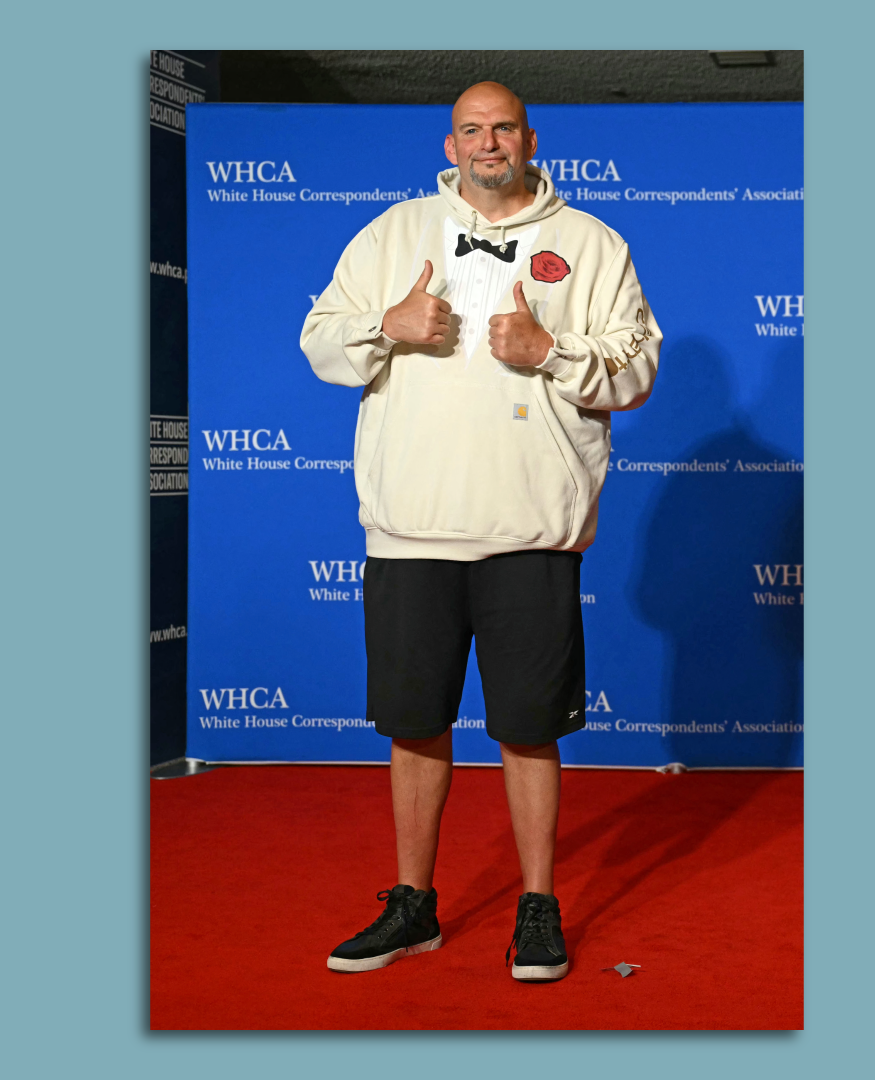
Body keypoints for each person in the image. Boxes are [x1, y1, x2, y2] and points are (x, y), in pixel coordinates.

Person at [301, 81, 661, 982]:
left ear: (531, 140)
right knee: (415, 724)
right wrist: (387, 325)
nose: (488, 142)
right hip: (411, 530)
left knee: (529, 728)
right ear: (450, 144)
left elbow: (637, 369)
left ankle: (538, 906)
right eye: (472, 129)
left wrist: (551, 351)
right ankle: (413, 905)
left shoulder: (592, 242)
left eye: (503, 128)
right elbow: (319, 341)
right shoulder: (392, 234)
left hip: (529, 532)